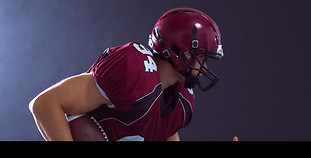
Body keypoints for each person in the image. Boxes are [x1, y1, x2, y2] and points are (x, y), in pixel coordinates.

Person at [29, 7, 231, 141]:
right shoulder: (135, 70)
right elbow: (44, 104)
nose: (204, 66)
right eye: (202, 56)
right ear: (179, 50)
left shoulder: (181, 101)